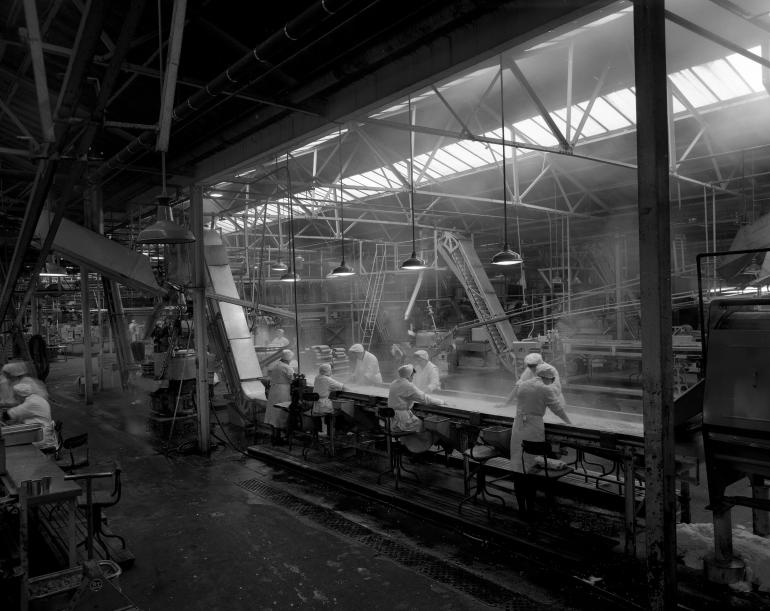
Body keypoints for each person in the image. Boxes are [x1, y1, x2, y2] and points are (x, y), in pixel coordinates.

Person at [508, 363, 572, 515]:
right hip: (533, 428)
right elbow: (557, 408)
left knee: (518, 467)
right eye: (552, 379)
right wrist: (569, 422)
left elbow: (519, 400)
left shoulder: (523, 384)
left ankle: (521, 508)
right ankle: (530, 507)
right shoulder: (545, 388)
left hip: (518, 426)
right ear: (548, 378)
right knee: (531, 468)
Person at [387, 364, 444, 453]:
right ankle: (420, 450)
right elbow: (425, 399)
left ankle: (411, 448)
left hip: (393, 421)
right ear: (409, 375)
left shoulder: (394, 383)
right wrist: (441, 402)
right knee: (426, 427)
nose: (413, 377)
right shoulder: (408, 385)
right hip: (403, 420)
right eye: (412, 375)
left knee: (419, 425)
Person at [1, 382, 57, 451]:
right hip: (42, 434)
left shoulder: (31, 402)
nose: (14, 398)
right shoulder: (37, 398)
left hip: (40, 438)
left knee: (10, 446)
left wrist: (3, 417)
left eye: (15, 395)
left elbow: (9, 414)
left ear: (19, 395)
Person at [263, 349, 295, 444]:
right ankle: (279, 439)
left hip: (273, 391)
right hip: (282, 392)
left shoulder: (276, 365)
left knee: (273, 414)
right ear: (288, 359)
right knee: (280, 414)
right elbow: (293, 379)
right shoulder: (287, 368)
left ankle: (274, 437)